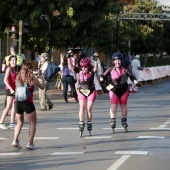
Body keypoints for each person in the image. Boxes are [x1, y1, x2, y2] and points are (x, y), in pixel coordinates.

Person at [100, 52, 140, 133]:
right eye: (116, 61)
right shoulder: (110, 69)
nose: (117, 62)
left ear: (121, 61)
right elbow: (103, 76)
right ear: (113, 61)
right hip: (113, 90)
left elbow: (132, 76)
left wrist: (136, 82)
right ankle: (113, 121)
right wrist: (101, 79)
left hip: (123, 90)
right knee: (114, 106)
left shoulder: (125, 69)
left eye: (119, 60)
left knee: (123, 106)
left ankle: (124, 120)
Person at [12, 62, 44, 150]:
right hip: (28, 103)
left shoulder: (18, 78)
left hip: (17, 102)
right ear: (30, 69)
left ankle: (15, 140)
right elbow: (42, 87)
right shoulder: (33, 79)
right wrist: (42, 79)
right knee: (32, 123)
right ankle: (30, 143)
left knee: (19, 122)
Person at [73, 57, 98, 136]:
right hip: (82, 91)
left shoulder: (91, 72)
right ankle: (81, 123)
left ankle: (89, 122)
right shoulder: (79, 72)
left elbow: (96, 68)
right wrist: (69, 57)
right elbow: (71, 67)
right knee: (82, 107)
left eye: (86, 66)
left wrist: (96, 60)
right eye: (82, 67)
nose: (84, 68)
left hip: (91, 91)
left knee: (89, 108)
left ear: (89, 66)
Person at [0, 55, 17, 129]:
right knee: (8, 106)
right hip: (9, 89)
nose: (14, 61)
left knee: (14, 106)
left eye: (15, 60)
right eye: (13, 60)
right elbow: (5, 80)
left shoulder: (14, 69)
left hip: (14, 89)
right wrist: (10, 89)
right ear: (9, 61)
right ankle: (1, 122)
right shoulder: (9, 69)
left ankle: (12, 122)